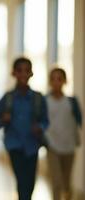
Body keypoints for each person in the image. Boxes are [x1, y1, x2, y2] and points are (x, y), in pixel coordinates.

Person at [0, 57, 49, 200]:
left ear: (31, 74)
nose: (23, 74)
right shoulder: (7, 98)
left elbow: (46, 121)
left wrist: (40, 127)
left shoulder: (38, 98)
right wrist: (3, 120)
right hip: (14, 146)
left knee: (30, 184)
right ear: (13, 73)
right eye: (19, 71)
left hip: (32, 146)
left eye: (27, 71)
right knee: (22, 183)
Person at [45, 67, 82, 200]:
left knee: (67, 183)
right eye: (53, 79)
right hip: (52, 146)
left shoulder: (71, 102)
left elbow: (79, 121)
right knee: (56, 182)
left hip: (69, 146)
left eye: (59, 79)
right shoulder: (45, 101)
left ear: (65, 81)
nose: (56, 82)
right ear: (50, 81)